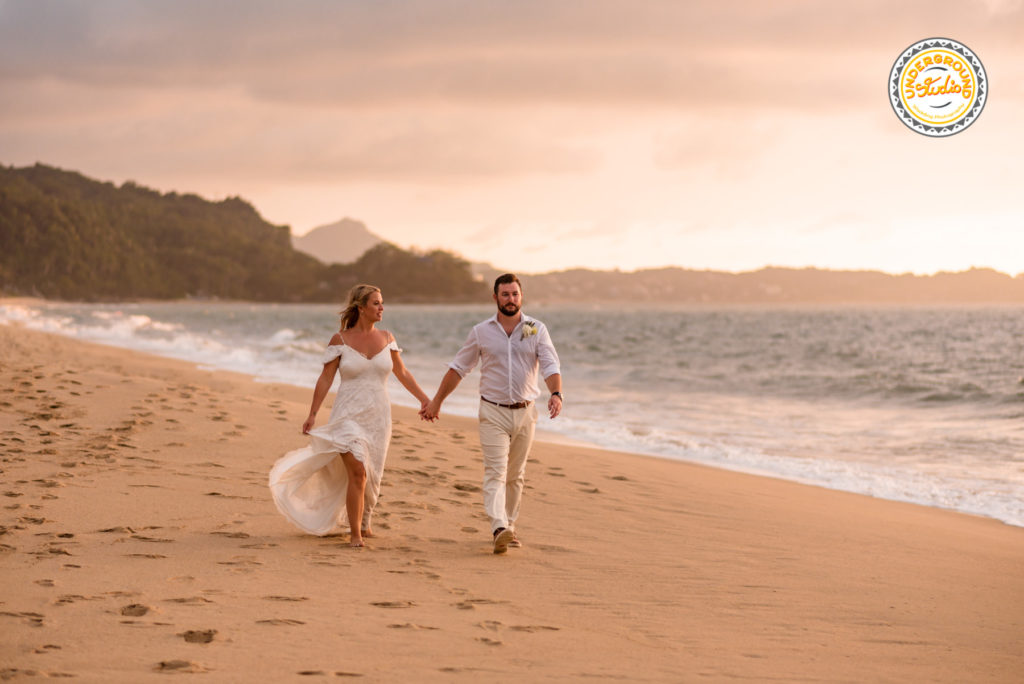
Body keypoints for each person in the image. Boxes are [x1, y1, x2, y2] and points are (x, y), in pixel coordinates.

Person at [269, 284, 431, 547]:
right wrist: (312, 414)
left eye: (382, 303)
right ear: (361, 308)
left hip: (378, 417)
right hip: (347, 416)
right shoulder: (340, 340)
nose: (381, 308)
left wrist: (425, 400)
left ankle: (365, 523)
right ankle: (355, 534)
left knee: (372, 475)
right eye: (376, 303)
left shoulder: (388, 338)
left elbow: (402, 373)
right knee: (357, 471)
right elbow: (325, 379)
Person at [421, 273, 562, 554]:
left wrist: (556, 394)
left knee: (515, 474)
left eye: (515, 294)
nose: (511, 299)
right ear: (495, 297)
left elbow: (549, 364)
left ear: (521, 297)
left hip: (526, 412)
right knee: (496, 471)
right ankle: (499, 527)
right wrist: (436, 401)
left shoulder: (536, 328)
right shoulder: (481, 332)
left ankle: (510, 525)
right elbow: (459, 368)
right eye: (505, 294)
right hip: (492, 412)